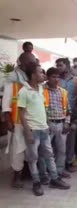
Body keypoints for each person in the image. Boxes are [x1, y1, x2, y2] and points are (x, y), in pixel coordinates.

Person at [18, 62, 70, 196]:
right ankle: (36, 182)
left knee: (49, 155)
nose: (43, 74)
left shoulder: (41, 88)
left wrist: (46, 124)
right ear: (33, 75)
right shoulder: (24, 91)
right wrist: (28, 131)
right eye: (41, 72)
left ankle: (54, 179)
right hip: (33, 130)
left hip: (44, 129)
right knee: (33, 158)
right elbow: (21, 114)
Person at [2, 52, 37, 188]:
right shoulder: (12, 79)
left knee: (31, 149)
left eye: (33, 61)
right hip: (17, 122)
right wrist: (8, 120)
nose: (32, 64)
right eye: (30, 62)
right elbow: (6, 102)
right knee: (18, 149)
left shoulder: (33, 78)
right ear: (21, 63)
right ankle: (17, 176)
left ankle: (28, 172)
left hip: (33, 121)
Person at [43, 67, 71, 178]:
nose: (56, 79)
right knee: (46, 151)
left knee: (62, 150)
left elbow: (68, 109)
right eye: (53, 77)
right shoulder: (42, 91)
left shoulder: (63, 92)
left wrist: (67, 123)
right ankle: (47, 172)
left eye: (57, 77)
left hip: (61, 124)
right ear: (47, 78)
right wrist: (46, 123)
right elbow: (40, 109)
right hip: (48, 125)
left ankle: (59, 170)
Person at [56, 58, 77, 172]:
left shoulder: (76, 81)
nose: (58, 68)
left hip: (73, 115)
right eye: (57, 66)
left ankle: (69, 163)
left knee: (71, 141)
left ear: (66, 66)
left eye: (60, 65)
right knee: (59, 142)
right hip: (58, 115)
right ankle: (59, 165)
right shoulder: (56, 80)